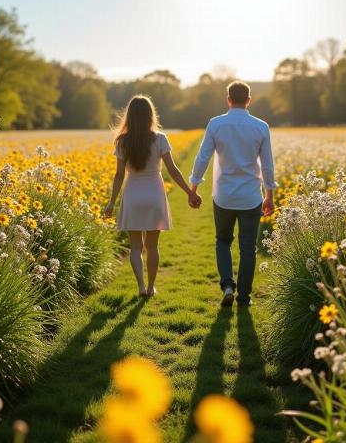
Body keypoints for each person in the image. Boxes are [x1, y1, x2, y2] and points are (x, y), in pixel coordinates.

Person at [104, 95, 201, 297]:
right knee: (152, 246)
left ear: (129, 116)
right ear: (150, 115)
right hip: (154, 194)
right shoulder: (160, 138)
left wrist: (111, 202)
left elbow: (119, 175)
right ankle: (151, 287)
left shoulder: (122, 141)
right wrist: (190, 192)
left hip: (132, 194)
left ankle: (140, 287)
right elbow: (173, 171)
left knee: (136, 247)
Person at [190, 81, 276, 307]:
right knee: (248, 248)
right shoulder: (261, 126)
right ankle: (244, 298)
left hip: (224, 195)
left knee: (223, 241)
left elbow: (202, 158)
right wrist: (270, 196)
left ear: (228, 99)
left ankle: (227, 285)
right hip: (251, 197)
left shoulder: (216, 124)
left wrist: (194, 187)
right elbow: (267, 165)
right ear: (249, 100)